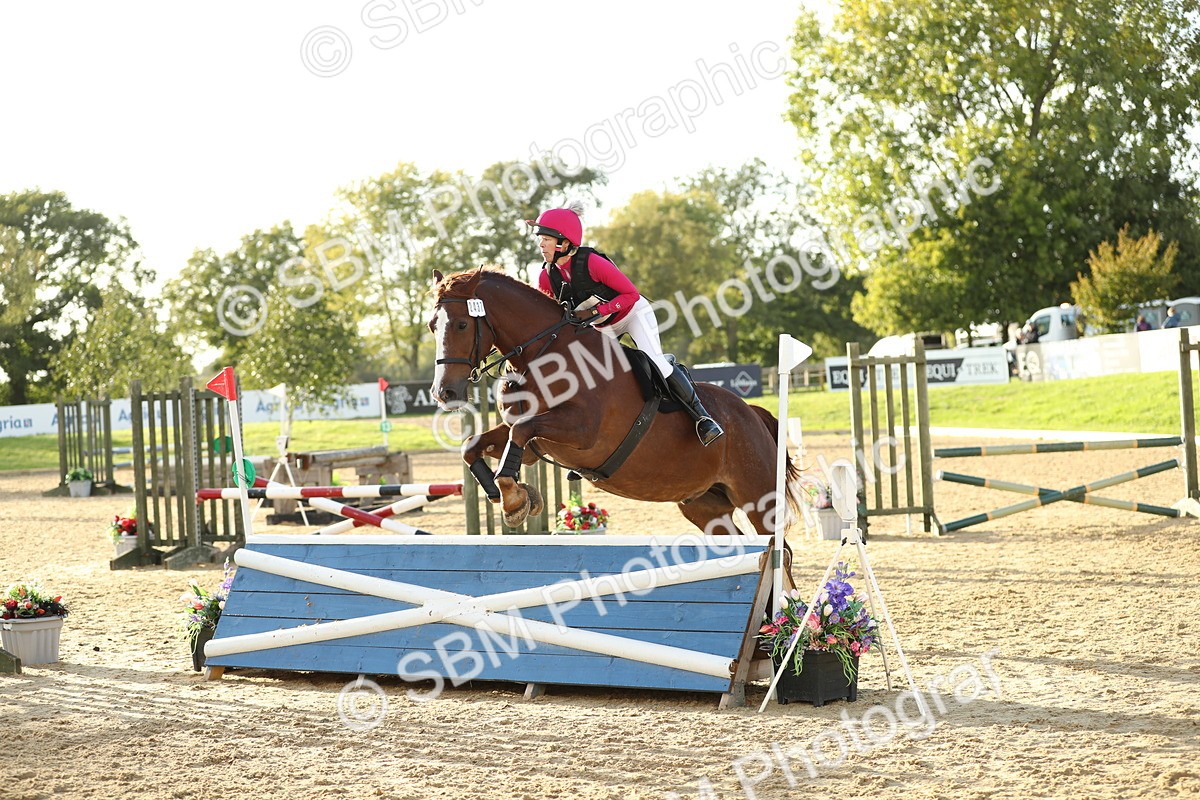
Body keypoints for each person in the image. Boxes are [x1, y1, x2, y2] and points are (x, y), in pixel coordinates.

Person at [526, 204, 724, 446]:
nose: (541, 244)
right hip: (602, 327)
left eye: (546, 239)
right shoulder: (546, 277)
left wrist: (597, 311)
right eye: (540, 239)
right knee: (588, 378)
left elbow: (630, 294)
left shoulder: (592, 263)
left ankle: (702, 418)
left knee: (658, 364)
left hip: (633, 314)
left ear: (564, 243)